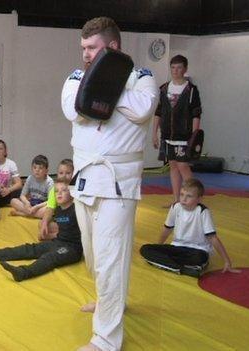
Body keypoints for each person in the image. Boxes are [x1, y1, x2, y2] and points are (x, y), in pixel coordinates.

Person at [61, 17, 158, 351]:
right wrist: (108, 97)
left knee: (110, 256)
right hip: (85, 178)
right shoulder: (75, 77)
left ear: (113, 47)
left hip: (120, 183)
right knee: (93, 256)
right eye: (83, 48)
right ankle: (111, 303)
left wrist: (103, 94)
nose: (86, 54)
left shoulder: (142, 77)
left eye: (92, 48)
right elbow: (77, 109)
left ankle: (105, 340)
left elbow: (143, 110)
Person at [0, 178, 81, 281]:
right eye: (56, 191)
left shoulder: (77, 210)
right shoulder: (58, 209)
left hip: (72, 249)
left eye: (64, 190)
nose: (59, 193)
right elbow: (60, 229)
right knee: (28, 249)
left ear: (72, 193)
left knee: (49, 257)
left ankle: (23, 272)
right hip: (58, 242)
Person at [140, 178, 240, 277]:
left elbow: (212, 238)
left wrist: (226, 261)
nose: (184, 199)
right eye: (182, 195)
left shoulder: (202, 212)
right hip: (177, 247)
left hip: (197, 251)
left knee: (199, 259)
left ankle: (165, 263)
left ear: (199, 199)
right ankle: (182, 269)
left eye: (189, 196)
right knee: (145, 249)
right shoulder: (175, 207)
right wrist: (159, 247)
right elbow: (167, 229)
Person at [152, 55, 202, 204]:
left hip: (183, 135)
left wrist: (194, 136)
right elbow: (158, 112)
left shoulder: (191, 90)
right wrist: (154, 133)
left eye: (179, 67)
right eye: (173, 67)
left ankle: (194, 197)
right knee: (173, 166)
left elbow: (196, 113)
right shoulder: (164, 88)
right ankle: (176, 199)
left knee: (183, 166)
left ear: (185, 69)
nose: (175, 71)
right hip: (167, 134)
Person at [39, 159, 74, 240]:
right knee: (41, 224)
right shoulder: (54, 189)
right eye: (61, 173)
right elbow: (50, 208)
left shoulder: (76, 189)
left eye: (68, 173)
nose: (64, 175)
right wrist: (44, 224)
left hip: (74, 223)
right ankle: (59, 234)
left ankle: (55, 235)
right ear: (57, 174)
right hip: (62, 220)